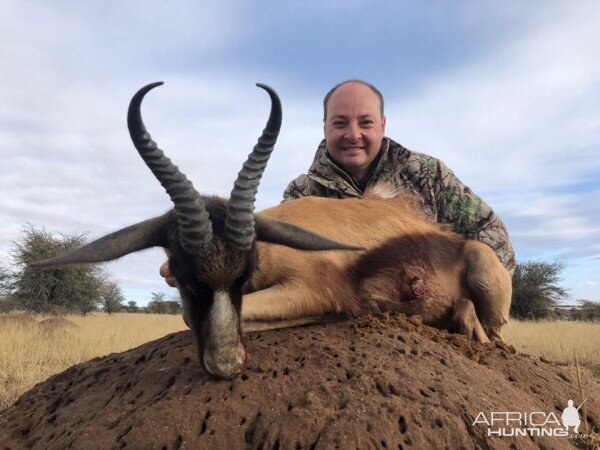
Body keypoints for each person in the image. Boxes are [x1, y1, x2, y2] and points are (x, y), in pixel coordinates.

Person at [160, 79, 515, 286]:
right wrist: (200, 267)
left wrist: (476, 290)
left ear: (383, 125)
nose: (353, 135)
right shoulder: (302, 194)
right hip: (347, 319)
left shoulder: (427, 174)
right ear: (325, 127)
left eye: (366, 122)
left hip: (429, 312)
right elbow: (272, 263)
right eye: (340, 123)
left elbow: (490, 231)